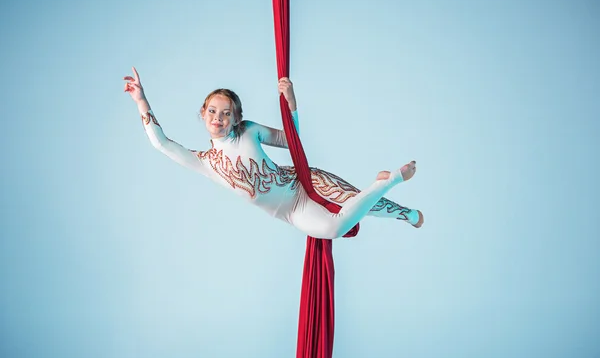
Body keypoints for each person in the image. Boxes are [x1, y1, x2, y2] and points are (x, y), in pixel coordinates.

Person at [124, 67, 423, 239]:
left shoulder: (249, 130)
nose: (218, 118)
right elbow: (161, 143)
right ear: (202, 114)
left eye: (226, 113)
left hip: (303, 181)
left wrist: (291, 104)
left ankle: (406, 211)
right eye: (213, 111)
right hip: (292, 211)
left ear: (237, 118)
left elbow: (290, 140)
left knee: (361, 203)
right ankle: (387, 181)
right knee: (334, 227)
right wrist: (141, 99)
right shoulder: (206, 162)